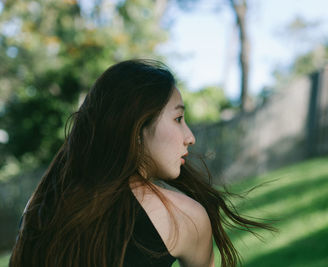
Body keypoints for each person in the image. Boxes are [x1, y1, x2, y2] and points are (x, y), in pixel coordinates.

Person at [9, 59, 275, 267]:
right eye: (178, 119)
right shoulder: (184, 217)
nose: (190, 137)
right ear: (137, 127)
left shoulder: (42, 204)